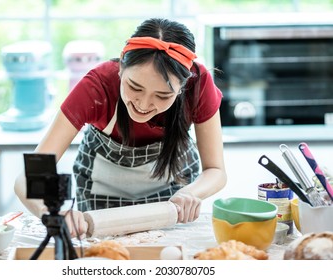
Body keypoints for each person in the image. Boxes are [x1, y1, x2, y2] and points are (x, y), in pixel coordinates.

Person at [14, 18, 227, 238]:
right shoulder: (96, 87)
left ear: (183, 86)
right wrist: (52, 212)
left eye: (163, 95)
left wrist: (190, 193)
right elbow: (28, 177)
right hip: (101, 203)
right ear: (121, 67)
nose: (143, 105)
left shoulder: (199, 84)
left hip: (171, 201)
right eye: (134, 87)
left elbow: (216, 171)